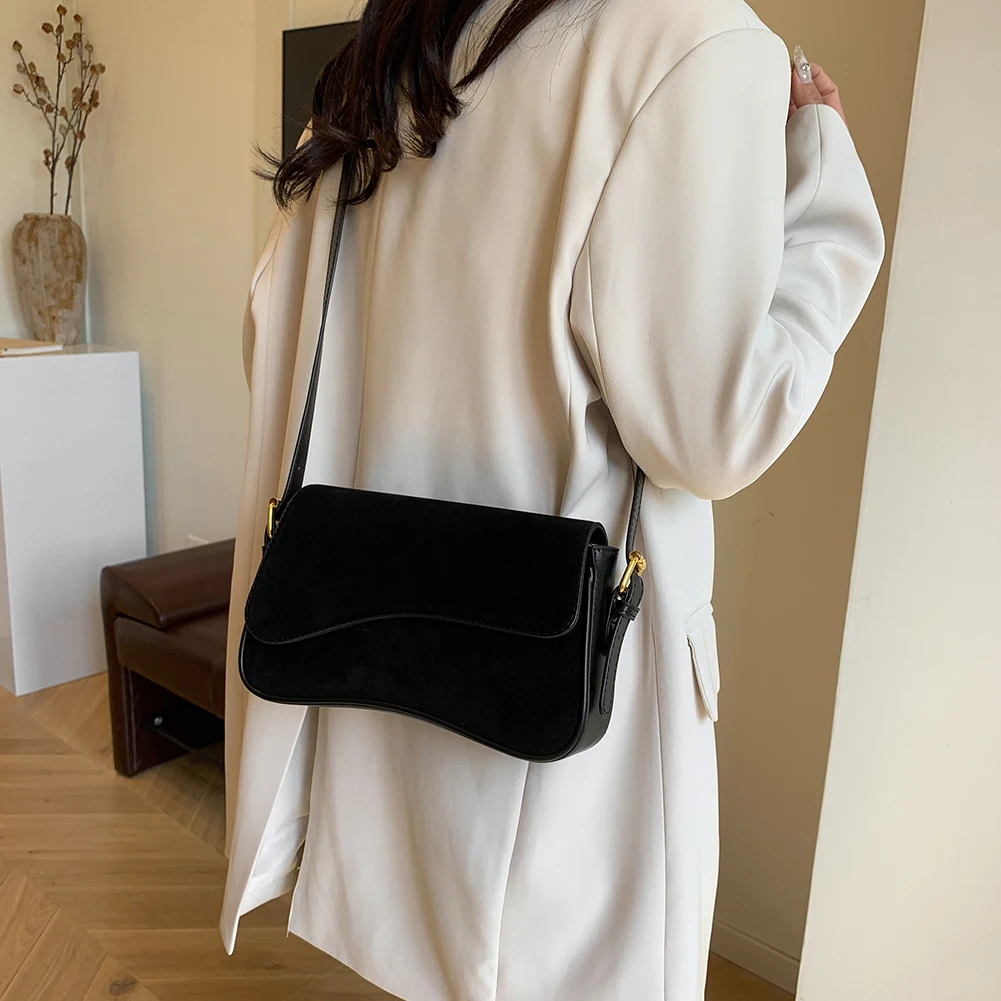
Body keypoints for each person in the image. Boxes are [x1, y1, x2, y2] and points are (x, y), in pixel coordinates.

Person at [220, 0, 884, 998]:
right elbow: (711, 431)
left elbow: (268, 345)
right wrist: (824, 183)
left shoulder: (389, 55)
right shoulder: (691, 37)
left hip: (373, 675)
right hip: (554, 722)